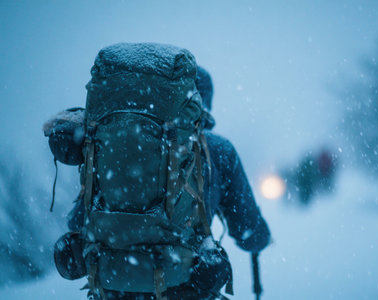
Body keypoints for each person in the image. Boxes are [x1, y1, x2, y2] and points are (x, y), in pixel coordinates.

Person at [46, 52, 270, 299]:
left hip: (113, 288)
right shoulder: (218, 150)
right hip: (186, 288)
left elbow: (77, 223)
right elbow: (250, 233)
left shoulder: (113, 146)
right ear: (200, 105)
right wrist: (260, 238)